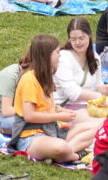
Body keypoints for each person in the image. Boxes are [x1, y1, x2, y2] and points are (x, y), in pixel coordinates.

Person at [9, 33, 97, 164]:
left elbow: (45, 106)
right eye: (57, 52)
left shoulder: (46, 77)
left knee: (96, 128)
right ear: (46, 56)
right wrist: (58, 117)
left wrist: (60, 110)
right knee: (60, 147)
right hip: (31, 136)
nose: (59, 56)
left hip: (51, 131)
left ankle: (65, 153)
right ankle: (74, 156)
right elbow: (29, 116)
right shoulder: (29, 80)